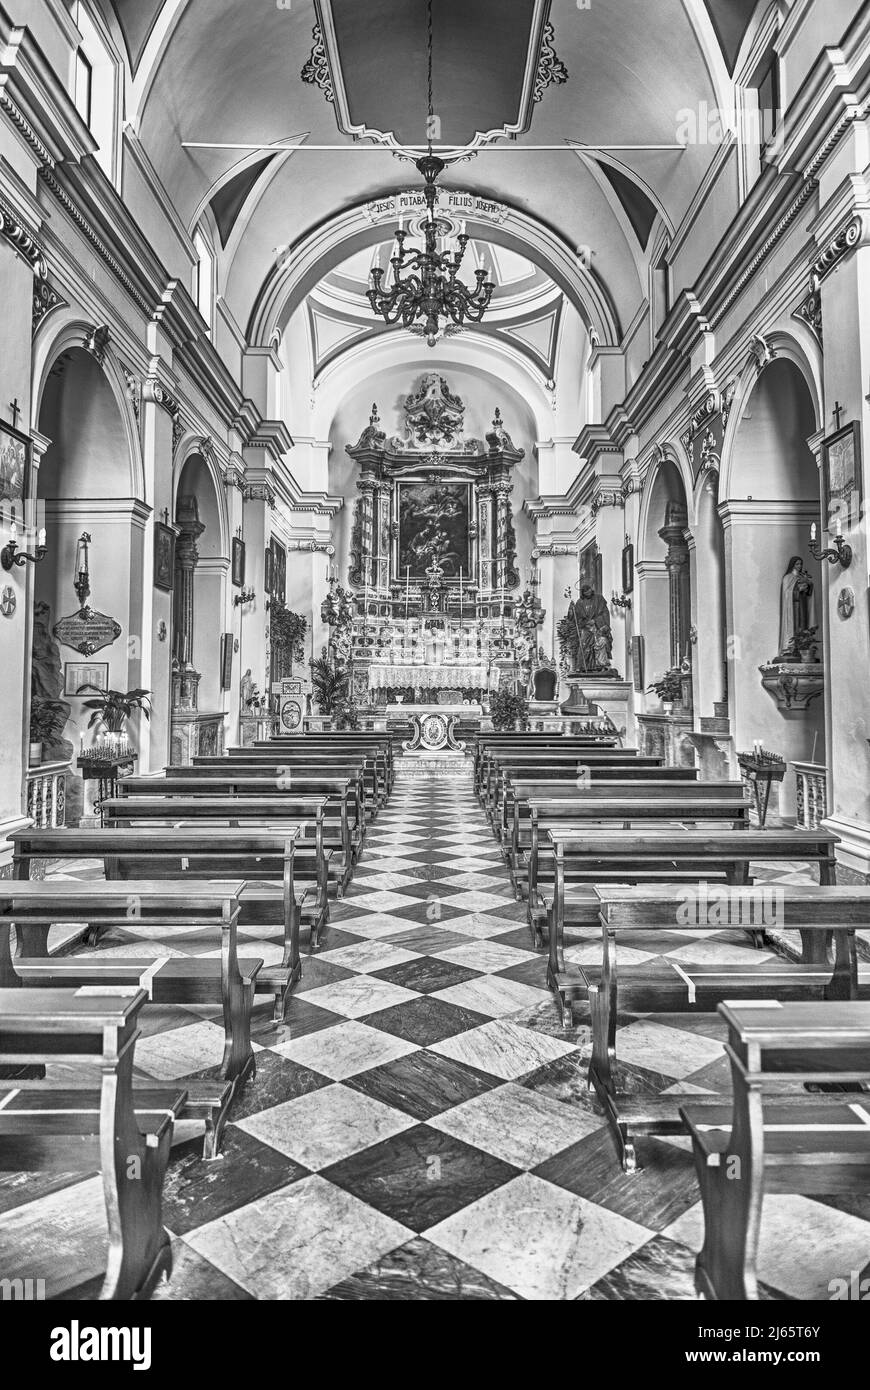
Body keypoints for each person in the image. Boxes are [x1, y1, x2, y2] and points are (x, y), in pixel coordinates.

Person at [566, 582, 613, 673]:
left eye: (589, 591)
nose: (588, 593)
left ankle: (600, 665)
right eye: (586, 592)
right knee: (584, 645)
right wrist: (572, 609)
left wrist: (595, 621)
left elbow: (605, 613)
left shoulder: (599, 599)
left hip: (598, 627)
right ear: (583, 593)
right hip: (586, 627)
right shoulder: (580, 602)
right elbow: (575, 617)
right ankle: (584, 666)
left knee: (600, 643)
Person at [778, 557, 815, 656]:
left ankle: (802, 647)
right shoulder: (788, 577)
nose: (799, 566)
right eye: (797, 564)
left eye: (801, 564)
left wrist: (808, 585)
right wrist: (798, 589)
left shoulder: (802, 577)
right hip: (793, 608)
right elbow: (786, 594)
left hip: (802, 606)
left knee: (803, 625)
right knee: (795, 625)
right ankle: (791, 647)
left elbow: (809, 592)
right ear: (793, 565)